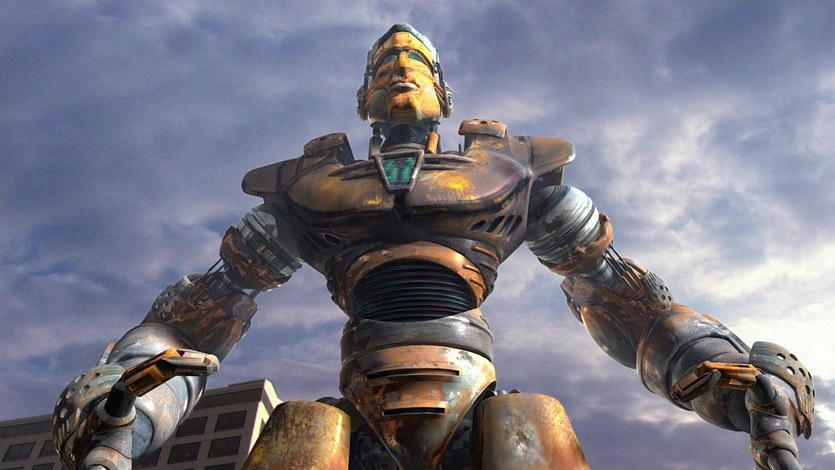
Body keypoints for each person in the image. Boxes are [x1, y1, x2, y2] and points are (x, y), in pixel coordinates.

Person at [53, 24, 814, 470]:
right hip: (356, 402)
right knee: (303, 436)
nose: (397, 63)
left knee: (529, 428)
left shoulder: (511, 172)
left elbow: (620, 297)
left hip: (477, 396)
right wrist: (126, 403)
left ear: (444, 95)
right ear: (362, 99)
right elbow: (197, 320)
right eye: (382, 63)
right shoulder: (306, 190)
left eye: (414, 60)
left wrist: (722, 375)